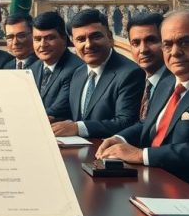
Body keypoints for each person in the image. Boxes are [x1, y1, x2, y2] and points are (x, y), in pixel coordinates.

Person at [98, 11, 189, 184]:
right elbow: (149, 124)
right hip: (149, 178)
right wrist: (119, 138)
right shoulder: (167, 80)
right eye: (167, 45)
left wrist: (141, 155)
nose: (175, 52)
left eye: (184, 42)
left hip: (184, 189)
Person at [51, 9, 141, 138]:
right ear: (73, 43)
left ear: (109, 37)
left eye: (96, 36)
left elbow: (125, 122)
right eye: (81, 39)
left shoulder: (130, 73)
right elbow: (66, 112)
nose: (88, 45)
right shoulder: (78, 73)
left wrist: (78, 127)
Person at [27, 11, 81, 121]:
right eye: (37, 39)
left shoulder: (77, 69)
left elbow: (58, 109)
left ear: (64, 39)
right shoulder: (33, 68)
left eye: (50, 38)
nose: (42, 44)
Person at [124, 12, 171, 123]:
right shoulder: (134, 79)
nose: (143, 49)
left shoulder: (177, 83)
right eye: (136, 43)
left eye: (151, 40)